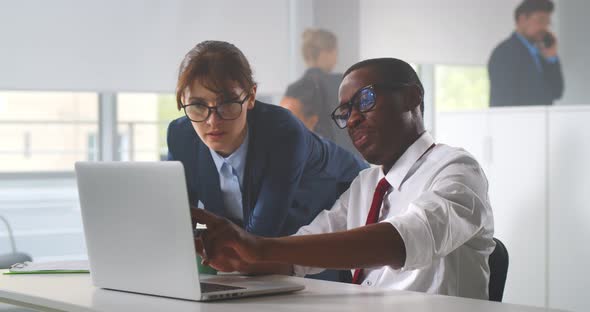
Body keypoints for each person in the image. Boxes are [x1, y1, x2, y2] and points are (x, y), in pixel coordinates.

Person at [192, 58, 496, 300]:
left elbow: (403, 239)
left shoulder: (457, 169)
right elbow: (301, 251)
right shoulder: (365, 184)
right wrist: (241, 258)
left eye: (364, 100)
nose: (351, 119)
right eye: (345, 111)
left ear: (411, 97)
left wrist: (259, 248)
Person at [166, 40, 367, 246]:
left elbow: (259, 240)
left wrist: (202, 236)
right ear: (183, 100)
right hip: (280, 237)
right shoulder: (180, 136)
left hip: (347, 203)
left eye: (227, 103)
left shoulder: (282, 132)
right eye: (198, 105)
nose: (212, 120)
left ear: (251, 96)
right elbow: (183, 222)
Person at [280, 29, 357, 155]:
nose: (336, 59)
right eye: (335, 53)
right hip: (347, 161)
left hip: (314, 160)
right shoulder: (343, 83)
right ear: (325, 53)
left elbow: (287, 132)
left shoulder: (294, 89)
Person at [488, 0, 564, 107]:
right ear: (522, 19)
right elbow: (503, 101)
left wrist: (551, 58)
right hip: (518, 121)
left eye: (547, 23)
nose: (545, 28)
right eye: (540, 21)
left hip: (542, 121)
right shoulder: (504, 53)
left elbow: (556, 92)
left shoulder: (541, 54)